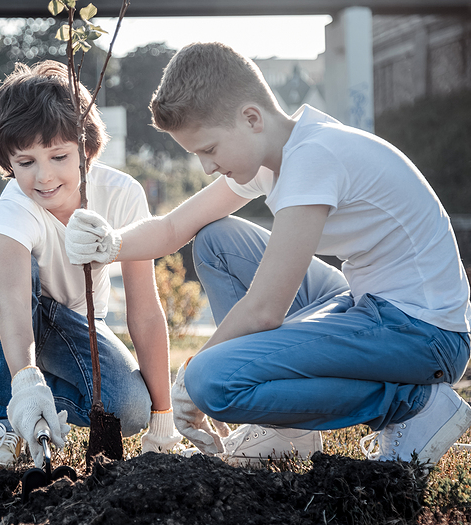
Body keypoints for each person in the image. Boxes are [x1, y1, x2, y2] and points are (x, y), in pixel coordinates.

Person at [64, 42, 471, 469]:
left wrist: (189, 378)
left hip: (424, 332)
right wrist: (111, 245)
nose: (206, 167)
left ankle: (414, 403)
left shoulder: (312, 159)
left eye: (209, 150)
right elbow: (173, 228)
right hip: (368, 302)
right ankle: (288, 430)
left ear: (251, 118)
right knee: (216, 239)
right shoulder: (281, 151)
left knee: (212, 381)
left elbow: (264, 311)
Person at [0, 61, 179, 470]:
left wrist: (163, 421)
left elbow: (145, 310)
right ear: (9, 162)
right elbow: (10, 307)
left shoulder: (122, 196)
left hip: (69, 325)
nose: (44, 177)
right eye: (25, 163)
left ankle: (31, 399)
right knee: (13, 273)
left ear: (87, 150)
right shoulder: (13, 211)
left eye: (59, 156)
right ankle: (1, 424)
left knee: (129, 409)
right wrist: (25, 381)